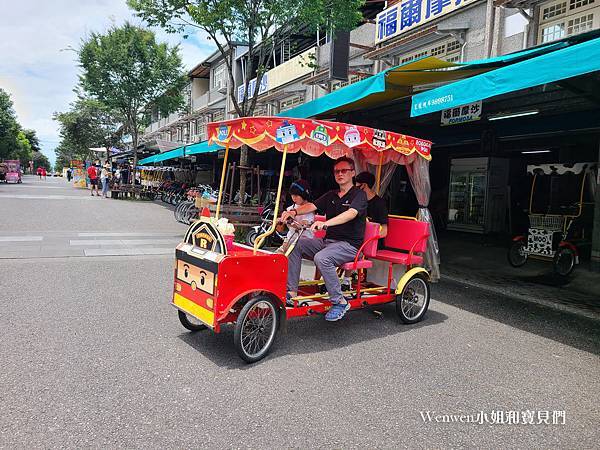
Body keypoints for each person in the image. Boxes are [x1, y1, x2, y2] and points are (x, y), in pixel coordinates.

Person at [281, 156, 367, 321]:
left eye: (344, 171)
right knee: (296, 244)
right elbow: (312, 206)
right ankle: (291, 292)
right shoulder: (332, 195)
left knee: (322, 258)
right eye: (337, 171)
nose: (340, 174)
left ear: (353, 173)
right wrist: (293, 212)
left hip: (350, 246)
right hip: (328, 243)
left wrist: (325, 224)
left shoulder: (359, 195)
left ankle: (339, 301)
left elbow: (351, 214)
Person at [341, 171, 390, 291]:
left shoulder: (379, 204)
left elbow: (384, 231)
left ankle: (347, 280)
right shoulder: (357, 201)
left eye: (356, 186)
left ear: (363, 186)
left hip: (373, 242)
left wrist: (370, 233)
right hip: (357, 237)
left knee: (350, 244)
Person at [275, 180, 314, 254]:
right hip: (290, 238)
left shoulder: (310, 209)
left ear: (303, 194)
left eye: (296, 196)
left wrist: (291, 222)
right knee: (278, 254)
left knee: (283, 253)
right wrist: (279, 221)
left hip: (304, 239)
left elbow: (303, 225)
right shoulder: (290, 208)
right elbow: (284, 224)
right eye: (292, 195)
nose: (293, 198)